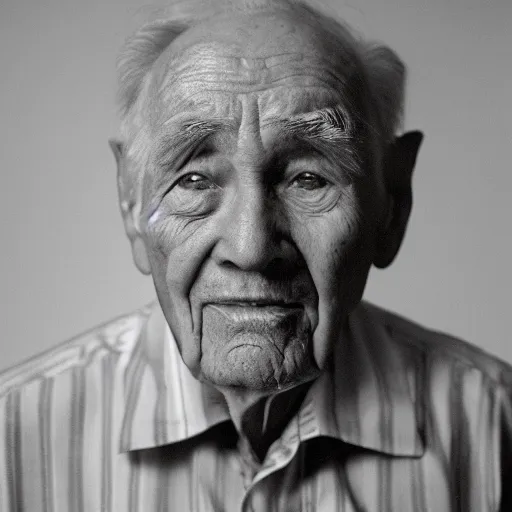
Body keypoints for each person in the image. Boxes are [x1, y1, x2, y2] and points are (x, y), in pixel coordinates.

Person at [1, 0, 511, 510]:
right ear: (130, 201)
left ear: (392, 202)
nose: (250, 249)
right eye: (194, 179)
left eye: (309, 179)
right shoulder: (12, 442)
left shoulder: (496, 430)